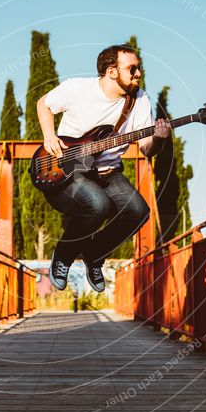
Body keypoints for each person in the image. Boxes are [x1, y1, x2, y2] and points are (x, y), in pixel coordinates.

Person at [36, 44, 171, 292]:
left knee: (139, 211)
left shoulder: (139, 100)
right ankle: (63, 256)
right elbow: (43, 103)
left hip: (108, 172)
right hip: (68, 170)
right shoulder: (78, 89)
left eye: (138, 68)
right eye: (132, 68)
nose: (138, 73)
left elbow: (146, 148)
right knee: (99, 205)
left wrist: (159, 138)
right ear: (111, 71)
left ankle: (95, 254)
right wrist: (49, 136)